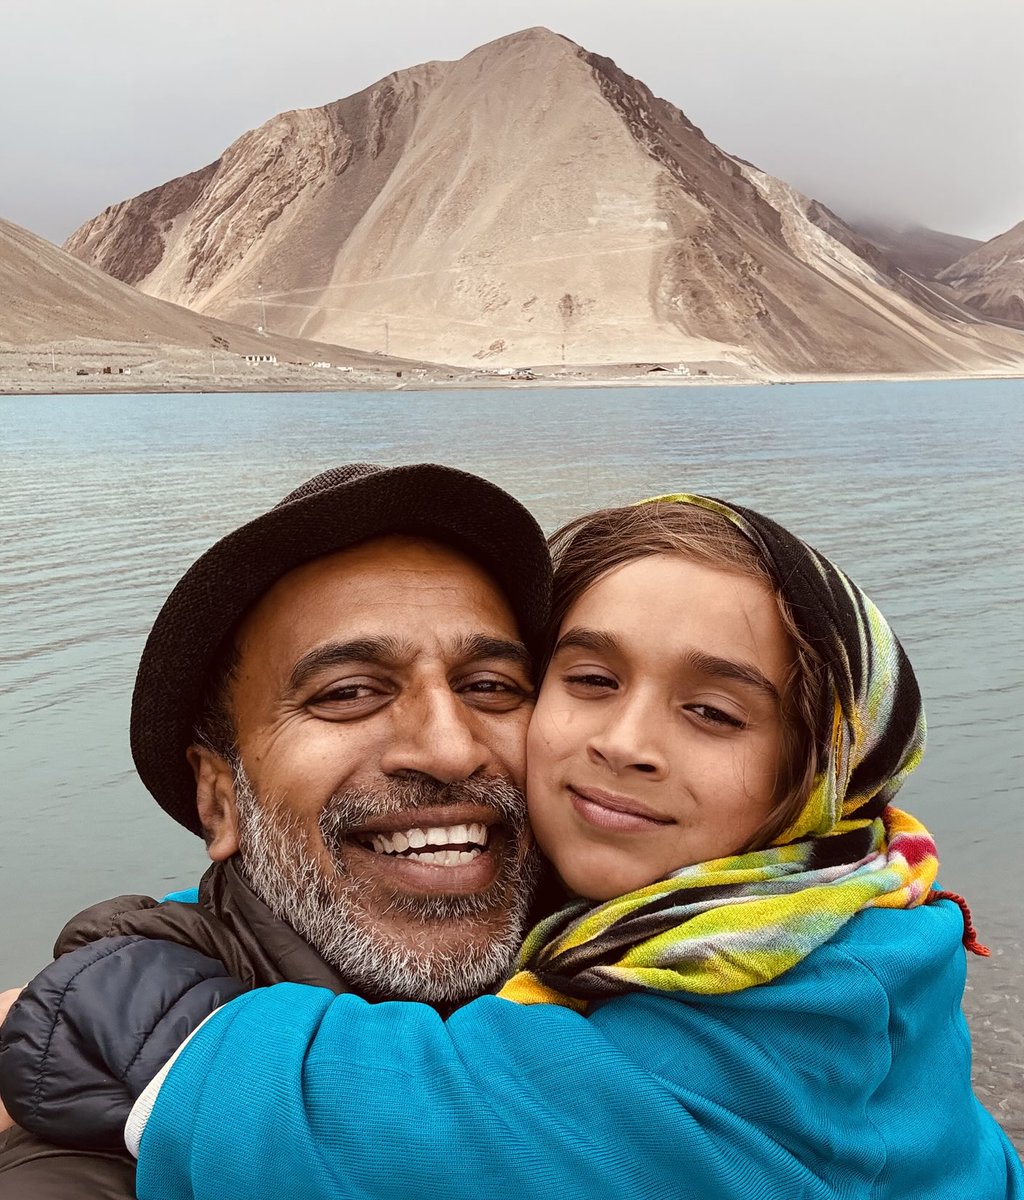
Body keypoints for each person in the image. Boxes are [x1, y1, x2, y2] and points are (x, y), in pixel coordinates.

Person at [3, 492, 1021, 1199]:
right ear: (218, 801)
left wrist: (108, 1014)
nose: (623, 744)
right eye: (587, 680)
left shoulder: (783, 979)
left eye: (493, 687)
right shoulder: (775, 922)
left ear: (808, 782)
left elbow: (443, 1130)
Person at [0, 461, 556, 1195]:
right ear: (220, 799)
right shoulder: (115, 1143)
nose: (451, 749)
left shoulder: (664, 971)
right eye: (348, 692)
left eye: (491, 686)